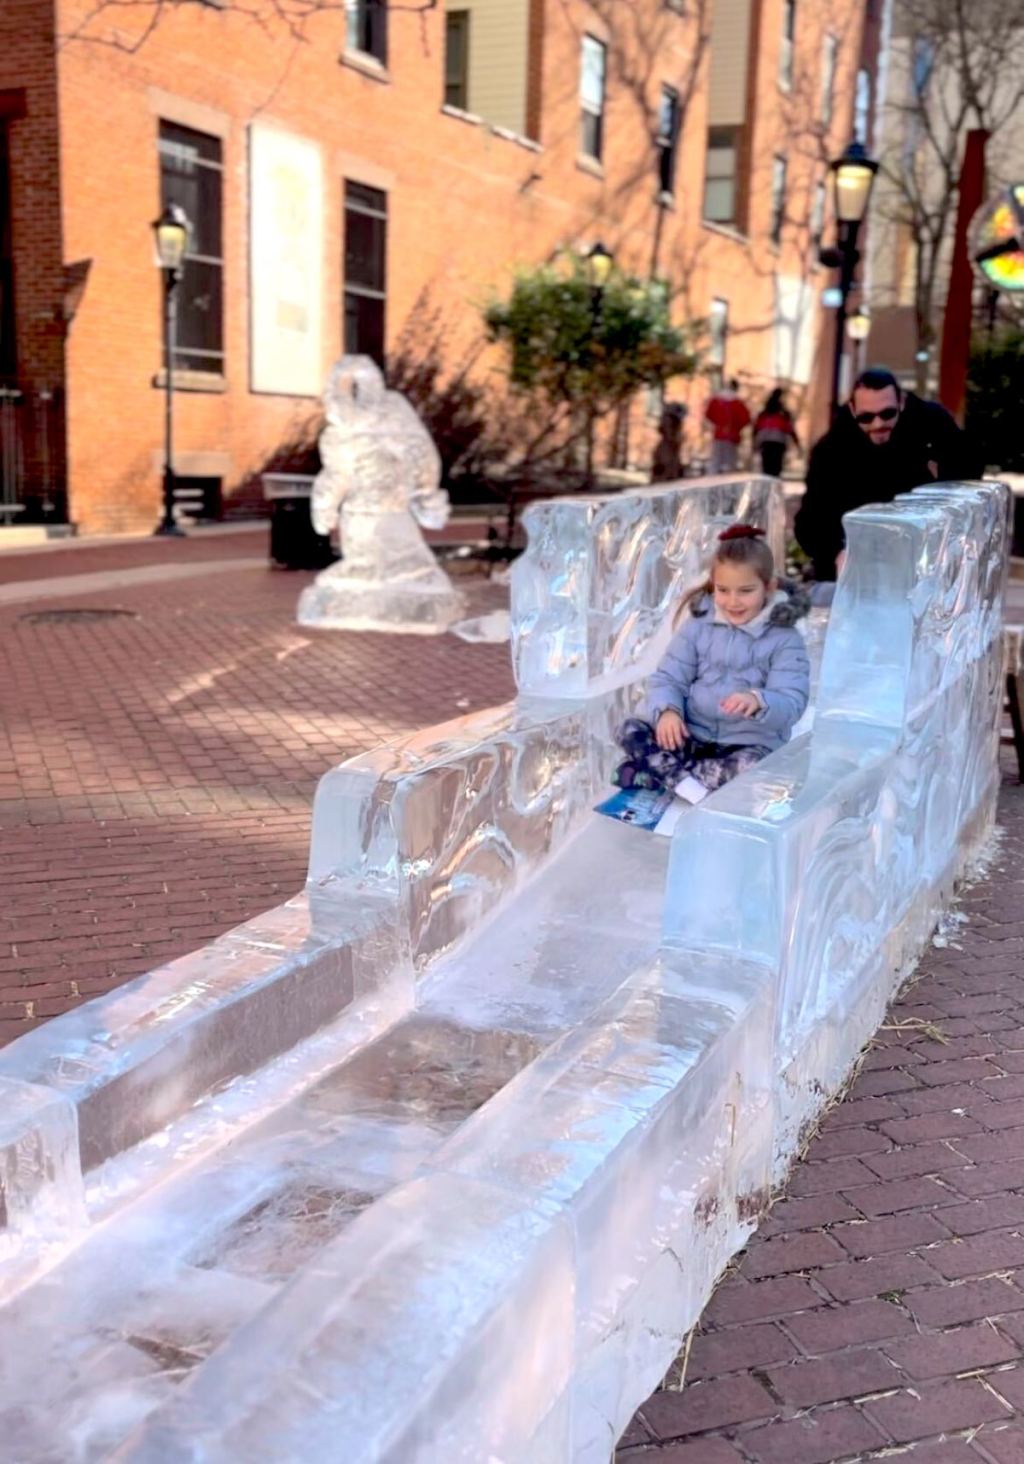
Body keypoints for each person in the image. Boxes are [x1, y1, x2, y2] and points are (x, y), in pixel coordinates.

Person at [612, 525, 810, 804]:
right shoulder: (698, 626)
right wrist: (669, 712)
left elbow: (792, 701)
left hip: (748, 745)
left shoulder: (785, 639)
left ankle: (663, 775)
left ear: (769, 587)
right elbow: (668, 677)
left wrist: (759, 701)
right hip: (693, 736)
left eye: (745, 591)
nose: (732, 601)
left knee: (751, 772)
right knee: (630, 729)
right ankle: (689, 784)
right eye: (723, 590)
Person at [794, 366, 981, 582]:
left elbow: (968, 474)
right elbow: (811, 520)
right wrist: (835, 553)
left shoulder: (930, 422)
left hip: (923, 557)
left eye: (887, 413)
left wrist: (943, 475)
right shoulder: (832, 449)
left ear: (901, 402)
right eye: (866, 417)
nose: (878, 424)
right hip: (857, 563)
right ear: (853, 410)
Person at [704, 378, 751, 474]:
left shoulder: (716, 400)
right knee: (731, 461)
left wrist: (717, 424)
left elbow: (709, 414)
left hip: (718, 433)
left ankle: (712, 477)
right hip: (732, 435)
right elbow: (745, 419)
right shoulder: (738, 403)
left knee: (716, 459)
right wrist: (737, 427)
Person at [753, 388, 800, 477]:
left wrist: (755, 444)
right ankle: (774, 486)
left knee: (766, 469)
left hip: (766, 443)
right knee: (776, 469)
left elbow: (756, 429)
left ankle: (767, 487)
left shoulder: (764, 414)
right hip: (778, 443)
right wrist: (797, 444)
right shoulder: (784, 415)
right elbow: (791, 430)